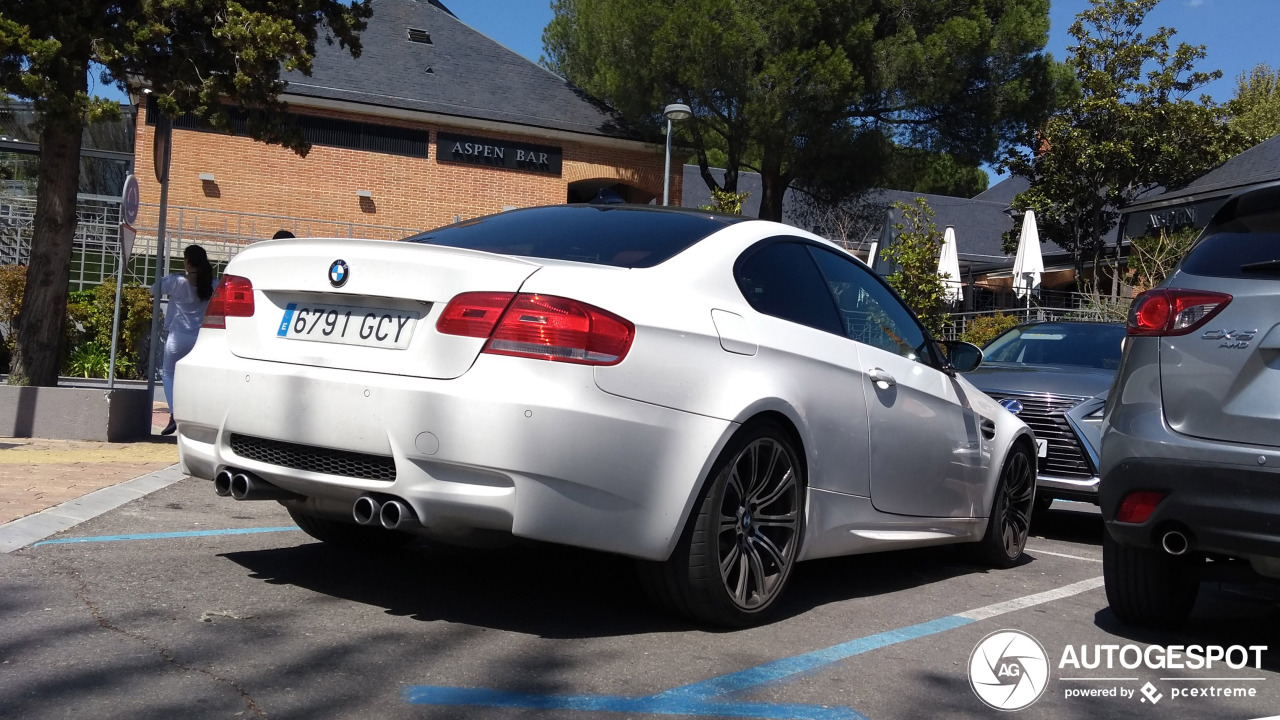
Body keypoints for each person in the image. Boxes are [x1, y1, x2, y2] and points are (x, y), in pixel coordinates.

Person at [151, 245, 215, 435]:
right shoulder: (213, 283)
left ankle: (173, 414)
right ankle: (200, 416)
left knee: (169, 374)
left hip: (178, 337)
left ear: (187, 261)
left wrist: (166, 279)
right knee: (199, 378)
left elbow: (153, 289)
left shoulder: (176, 281)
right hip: (202, 338)